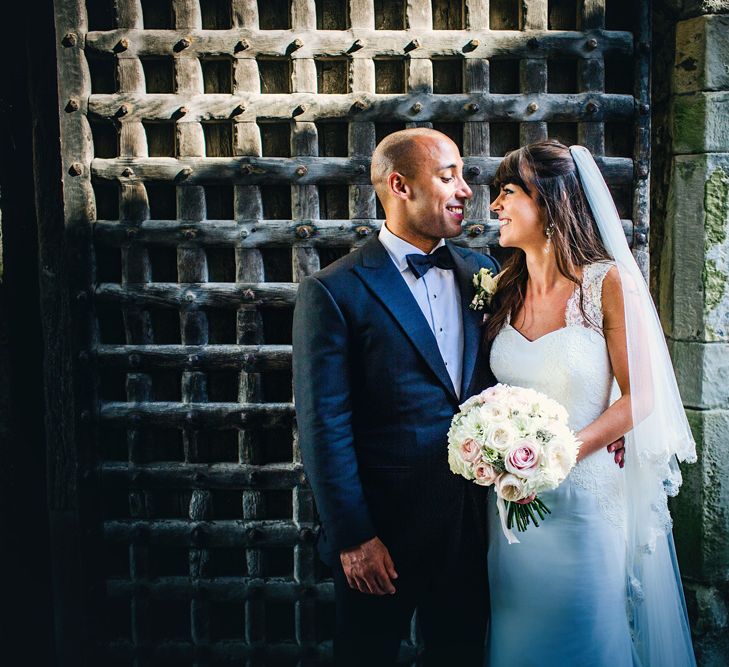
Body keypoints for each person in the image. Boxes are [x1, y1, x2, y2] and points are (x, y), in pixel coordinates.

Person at [292, 128, 499, 665]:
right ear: (400, 185)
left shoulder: (484, 272)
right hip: (381, 535)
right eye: (447, 176)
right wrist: (354, 537)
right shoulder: (335, 291)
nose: (465, 190)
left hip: (469, 527)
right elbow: (323, 424)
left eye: (463, 176)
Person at [485, 140, 696, 666]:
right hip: (512, 513)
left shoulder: (605, 282)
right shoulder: (502, 288)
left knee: (586, 638)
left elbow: (640, 395)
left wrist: (557, 458)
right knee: (518, 641)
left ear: (551, 202)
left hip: (583, 505)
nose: (494, 207)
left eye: (507, 193)